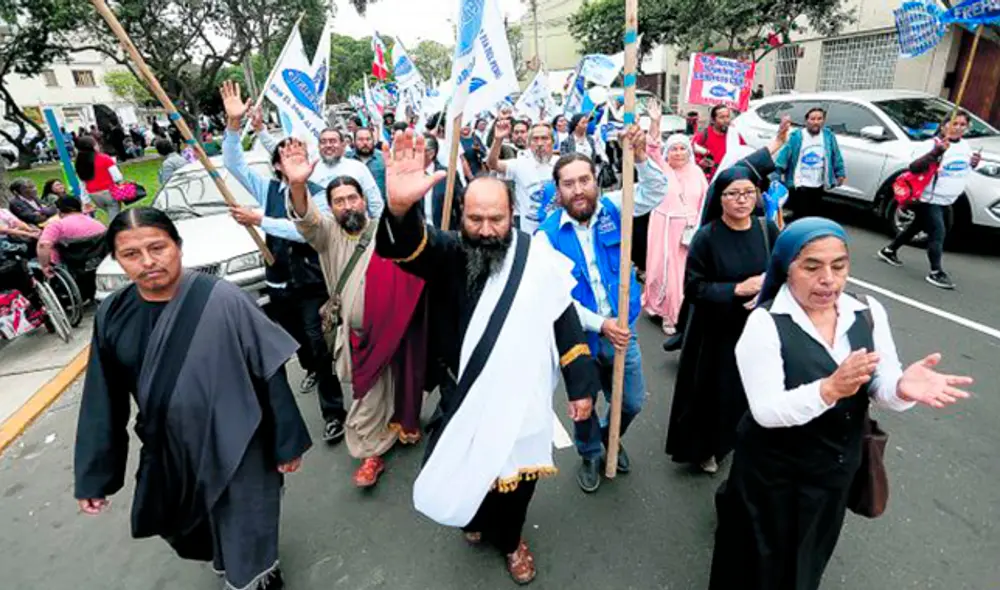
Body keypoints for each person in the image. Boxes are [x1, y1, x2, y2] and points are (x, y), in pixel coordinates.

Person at [376, 130, 600, 585]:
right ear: (461, 215)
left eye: (495, 219)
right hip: (463, 392)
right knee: (468, 466)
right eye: (474, 218)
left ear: (511, 215)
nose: (484, 229)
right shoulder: (448, 252)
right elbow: (406, 245)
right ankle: (474, 518)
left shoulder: (536, 257)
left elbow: (564, 320)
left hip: (522, 397)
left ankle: (513, 540)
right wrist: (400, 209)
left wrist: (581, 384)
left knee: (516, 478)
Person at [709, 217, 973, 590]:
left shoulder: (866, 311)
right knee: (753, 565)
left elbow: (880, 383)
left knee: (806, 564)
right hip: (769, 478)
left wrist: (901, 388)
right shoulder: (765, 323)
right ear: (787, 269)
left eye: (839, 266)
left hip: (831, 474)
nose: (828, 279)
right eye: (812, 266)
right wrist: (829, 389)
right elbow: (766, 410)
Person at [74, 207, 311, 590]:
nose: (148, 262)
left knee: (246, 521)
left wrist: (286, 443)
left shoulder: (225, 299)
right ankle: (229, 563)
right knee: (193, 521)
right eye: (131, 254)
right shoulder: (113, 314)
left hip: (240, 441)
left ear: (178, 247)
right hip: (172, 447)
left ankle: (257, 579)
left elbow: (269, 372)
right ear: (117, 260)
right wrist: (94, 476)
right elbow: (104, 397)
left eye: (157, 247)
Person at [284, 140, 427, 486]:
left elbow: (414, 244)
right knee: (367, 394)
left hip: (397, 329)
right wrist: (298, 184)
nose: (347, 206)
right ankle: (368, 453)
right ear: (330, 208)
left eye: (353, 198)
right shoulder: (327, 233)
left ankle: (397, 427)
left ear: (364, 200)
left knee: (399, 383)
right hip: (357, 335)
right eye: (339, 201)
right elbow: (305, 218)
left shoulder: (383, 229)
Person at [538, 127, 669, 493]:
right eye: (568, 184)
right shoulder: (545, 237)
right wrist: (601, 323)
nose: (578, 189)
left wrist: (641, 156)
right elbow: (556, 299)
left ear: (596, 181)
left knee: (631, 401)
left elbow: (657, 191)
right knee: (583, 405)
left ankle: (613, 437)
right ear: (558, 191)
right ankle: (591, 451)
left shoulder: (615, 208)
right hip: (579, 337)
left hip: (623, 333)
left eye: (584, 180)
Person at [220, 80, 348, 445]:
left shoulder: (321, 197)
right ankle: (308, 366)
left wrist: (258, 219)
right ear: (277, 167)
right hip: (278, 286)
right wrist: (234, 125)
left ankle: (333, 411)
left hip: (312, 287)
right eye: (286, 159)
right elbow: (233, 163)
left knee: (317, 343)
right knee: (295, 343)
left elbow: (303, 231)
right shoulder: (267, 190)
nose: (294, 165)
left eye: (301, 159)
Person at [666, 122, 790, 474]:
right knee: (716, 394)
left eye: (748, 193)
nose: (741, 200)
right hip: (716, 332)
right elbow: (695, 289)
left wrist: (767, 287)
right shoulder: (706, 238)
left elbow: (785, 272)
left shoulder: (768, 230)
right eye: (733, 194)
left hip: (759, 327)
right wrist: (736, 289)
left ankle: (744, 440)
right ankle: (710, 447)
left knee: (754, 389)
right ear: (719, 198)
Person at [877, 111, 980, 290]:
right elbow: (914, 167)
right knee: (938, 232)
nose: (958, 128)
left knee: (918, 225)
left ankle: (889, 250)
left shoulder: (965, 147)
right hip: (927, 198)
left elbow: (960, 170)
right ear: (943, 126)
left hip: (947, 199)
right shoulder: (932, 144)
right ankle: (936, 272)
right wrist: (936, 152)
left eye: (963, 125)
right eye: (954, 123)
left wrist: (973, 164)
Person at [255, 114, 384, 219]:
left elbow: (375, 204)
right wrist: (261, 130)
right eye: (323, 142)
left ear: (343, 145)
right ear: (318, 146)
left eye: (333, 141)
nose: (328, 145)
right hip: (323, 238)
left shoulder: (358, 168)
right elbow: (282, 153)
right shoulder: (310, 170)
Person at [644, 133, 709, 335]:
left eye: (682, 148)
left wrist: (701, 226)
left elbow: (705, 200)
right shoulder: (661, 170)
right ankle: (665, 311)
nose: (678, 153)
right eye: (674, 149)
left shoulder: (697, 172)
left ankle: (677, 312)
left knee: (683, 273)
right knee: (661, 269)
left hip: (689, 230)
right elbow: (651, 151)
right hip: (663, 226)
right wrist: (655, 125)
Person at [487, 119, 559, 233]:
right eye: (535, 139)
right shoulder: (520, 164)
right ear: (529, 143)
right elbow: (492, 164)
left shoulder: (562, 165)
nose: (540, 143)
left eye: (544, 138)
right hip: (530, 234)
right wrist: (498, 140)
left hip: (557, 232)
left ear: (553, 142)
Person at [775, 107, 846, 219]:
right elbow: (783, 157)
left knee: (814, 215)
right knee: (801, 216)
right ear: (806, 120)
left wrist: (840, 173)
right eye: (812, 119)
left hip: (818, 183)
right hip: (800, 184)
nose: (816, 122)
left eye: (819, 119)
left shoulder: (828, 136)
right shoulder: (797, 136)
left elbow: (836, 156)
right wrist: (777, 175)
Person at [35, 196, 106, 277]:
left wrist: (45, 266)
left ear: (58, 211)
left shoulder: (57, 225)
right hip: (99, 263)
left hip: (71, 267)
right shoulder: (97, 224)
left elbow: (43, 245)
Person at [419, 135, 464, 229]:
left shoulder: (448, 175)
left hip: (443, 233)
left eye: (417, 151)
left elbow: (460, 206)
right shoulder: (409, 176)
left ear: (431, 153)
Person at [692, 104, 745, 180]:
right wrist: (701, 162)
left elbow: (744, 153)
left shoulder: (735, 135)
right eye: (722, 117)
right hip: (710, 179)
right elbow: (691, 156)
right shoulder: (703, 136)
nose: (726, 120)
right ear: (713, 120)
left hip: (730, 178)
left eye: (727, 116)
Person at [75, 135, 122, 220]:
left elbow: (82, 183)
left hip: (93, 195)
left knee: (111, 212)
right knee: (114, 215)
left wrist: (85, 200)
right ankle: (113, 231)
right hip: (109, 192)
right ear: (93, 146)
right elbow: (117, 177)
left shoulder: (79, 163)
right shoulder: (105, 158)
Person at [350, 127, 387, 200]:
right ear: (354, 141)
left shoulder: (383, 158)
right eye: (360, 139)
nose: (365, 143)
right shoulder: (347, 159)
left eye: (368, 139)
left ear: (373, 140)